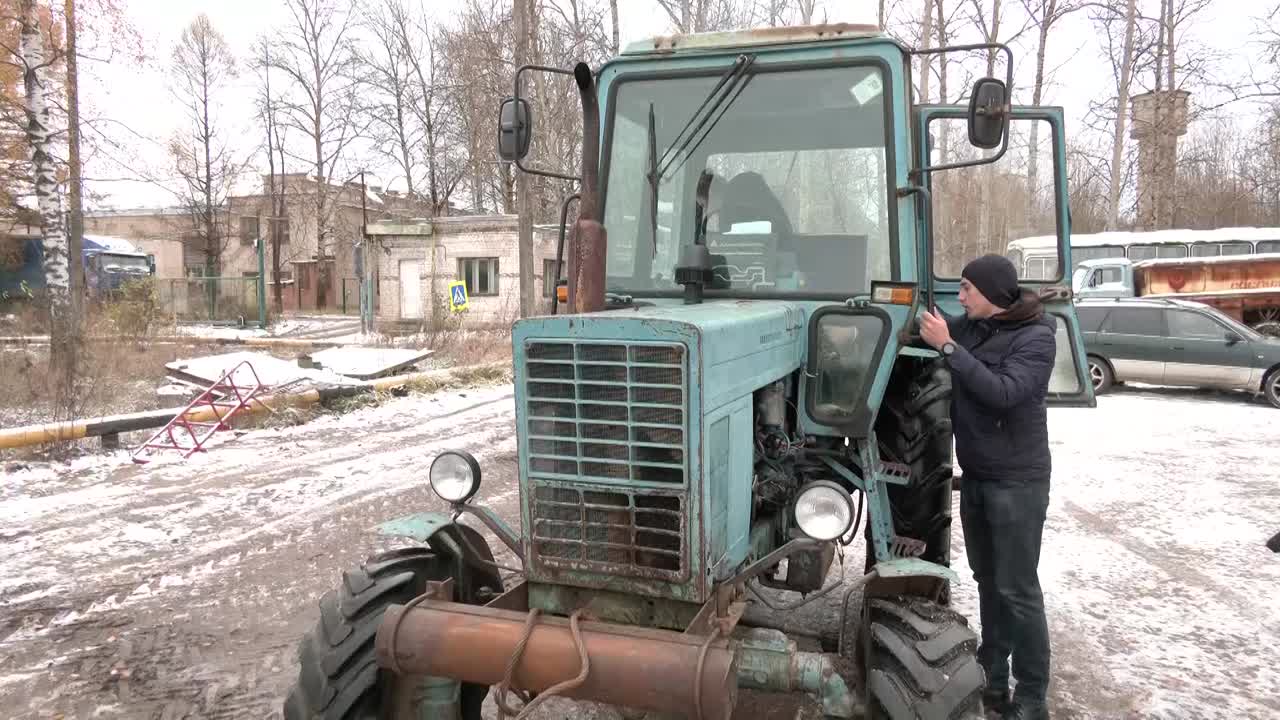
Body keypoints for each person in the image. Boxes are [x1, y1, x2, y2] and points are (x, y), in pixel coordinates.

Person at [917, 254, 1057, 720]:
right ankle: (993, 677)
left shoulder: (1037, 338)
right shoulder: (975, 325)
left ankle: (1033, 696)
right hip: (977, 478)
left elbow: (1004, 392)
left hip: (1018, 483)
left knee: (1018, 589)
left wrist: (949, 350)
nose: (958, 298)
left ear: (992, 295)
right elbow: (933, 324)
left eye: (965, 290)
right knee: (988, 582)